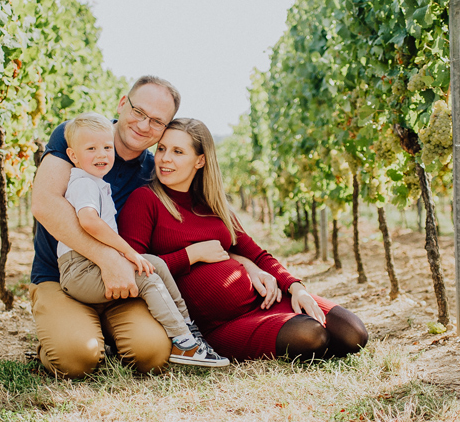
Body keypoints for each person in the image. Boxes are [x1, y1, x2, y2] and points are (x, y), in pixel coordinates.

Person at [30, 76, 280, 377]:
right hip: (62, 276)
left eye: (157, 121)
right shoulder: (79, 135)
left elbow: (194, 228)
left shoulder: (155, 170)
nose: (144, 125)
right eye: (138, 112)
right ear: (123, 104)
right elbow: (45, 204)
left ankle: (139, 335)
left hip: (124, 280)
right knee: (75, 358)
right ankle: (67, 334)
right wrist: (109, 259)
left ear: (166, 128)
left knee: (152, 354)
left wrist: (242, 261)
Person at [118, 118, 369, 361]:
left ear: (200, 160)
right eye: (161, 149)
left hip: (264, 301)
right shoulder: (145, 200)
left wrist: (297, 289)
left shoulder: (213, 205)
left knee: (353, 333)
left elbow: (258, 254)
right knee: (311, 336)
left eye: (178, 151)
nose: (164, 158)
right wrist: (191, 255)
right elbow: (136, 270)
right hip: (221, 324)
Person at [55, 112, 228, 368]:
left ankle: (189, 332)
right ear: (73, 156)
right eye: (91, 148)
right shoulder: (83, 184)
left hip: (91, 265)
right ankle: (183, 341)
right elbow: (89, 221)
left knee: (155, 264)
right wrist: (129, 253)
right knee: (146, 276)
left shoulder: (97, 183)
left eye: (106, 147)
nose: (101, 154)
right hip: (79, 270)